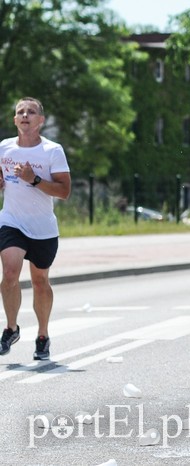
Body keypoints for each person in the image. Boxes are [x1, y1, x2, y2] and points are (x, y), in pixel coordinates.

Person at [0, 97, 71, 361]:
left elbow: (64, 191)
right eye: (20, 112)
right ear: (15, 120)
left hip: (42, 228)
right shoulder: (4, 148)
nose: (25, 115)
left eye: (31, 112)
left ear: (40, 121)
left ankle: (42, 335)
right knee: (9, 272)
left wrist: (35, 179)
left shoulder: (52, 151)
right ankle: (10, 328)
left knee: (40, 281)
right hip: (11, 221)